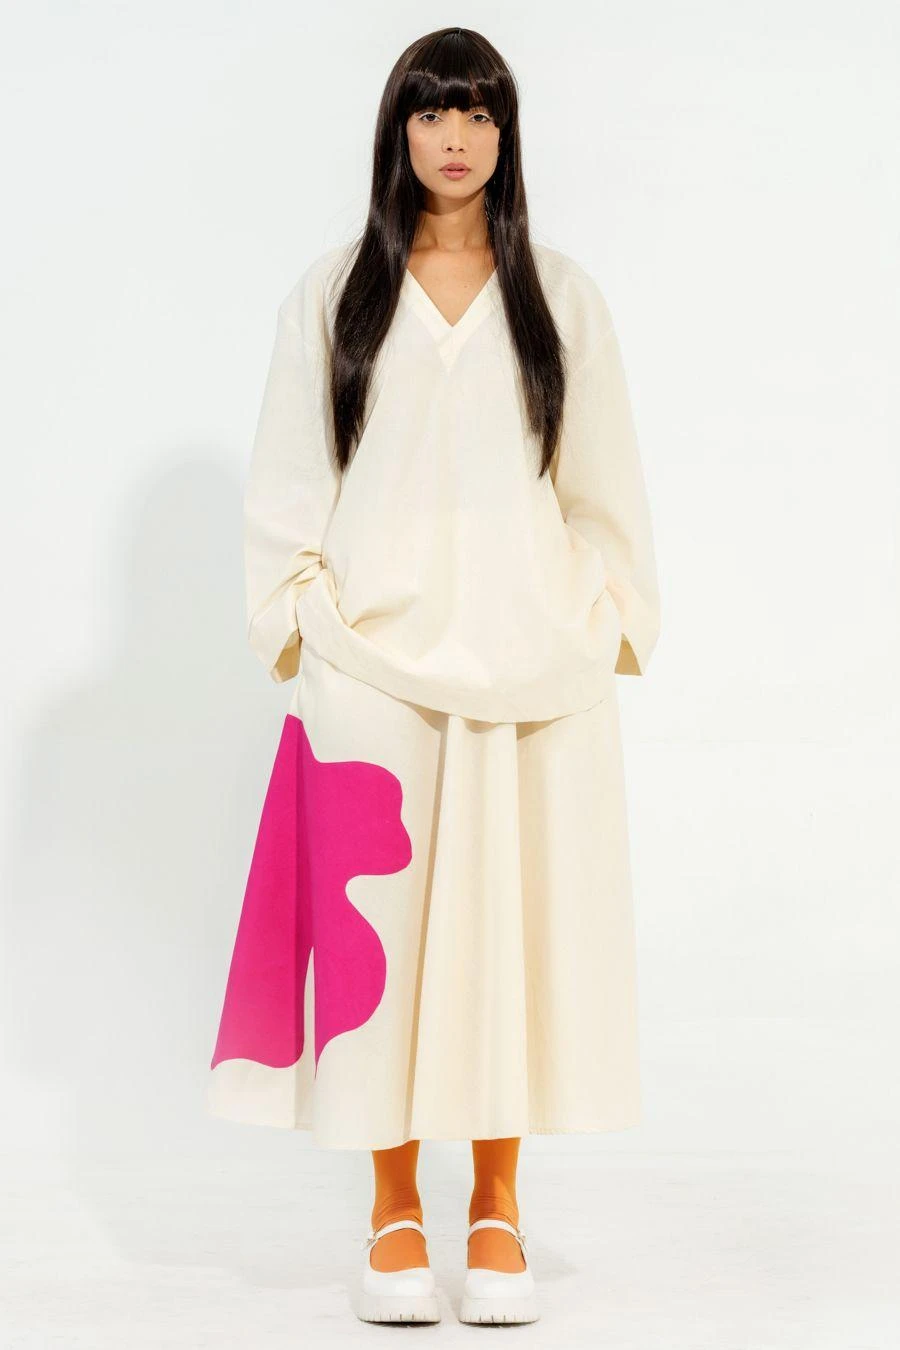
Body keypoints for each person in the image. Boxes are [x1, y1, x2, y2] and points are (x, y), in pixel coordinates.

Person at [208, 25, 661, 1327]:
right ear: (396, 131)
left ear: (506, 135)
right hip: (373, 672)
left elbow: (603, 487)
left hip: (529, 669)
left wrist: (599, 620)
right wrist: (306, 620)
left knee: (508, 939)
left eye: (477, 112)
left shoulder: (560, 298)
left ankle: (498, 1205)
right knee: (384, 952)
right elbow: (290, 479)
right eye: (430, 111)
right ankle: (395, 1208)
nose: (454, 137)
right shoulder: (334, 294)